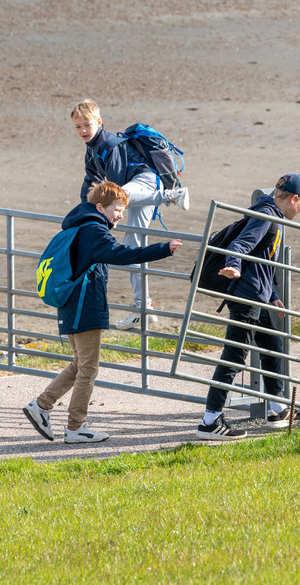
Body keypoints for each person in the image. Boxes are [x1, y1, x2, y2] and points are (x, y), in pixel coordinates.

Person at [24, 180, 182, 443]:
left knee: (80, 364)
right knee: (89, 368)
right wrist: (162, 249)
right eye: (117, 209)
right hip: (84, 307)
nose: (120, 215)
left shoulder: (80, 226)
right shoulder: (94, 231)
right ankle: (75, 427)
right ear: (100, 207)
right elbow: (121, 254)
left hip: (72, 304)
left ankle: (41, 406)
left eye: (122, 210)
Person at [196, 174, 300, 441]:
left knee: (272, 346)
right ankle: (210, 420)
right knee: (234, 356)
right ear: (294, 199)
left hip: (259, 296)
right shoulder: (266, 215)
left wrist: (272, 294)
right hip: (246, 296)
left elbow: (261, 261)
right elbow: (242, 245)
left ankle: (278, 409)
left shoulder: (272, 215)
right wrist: (234, 266)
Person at [71, 99, 190, 330]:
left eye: (87, 125)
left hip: (145, 183)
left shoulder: (109, 144)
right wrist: (84, 211)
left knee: (117, 197)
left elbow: (114, 191)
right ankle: (143, 308)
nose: (83, 131)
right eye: (78, 127)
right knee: (132, 249)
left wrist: (106, 218)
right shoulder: (91, 153)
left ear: (99, 122)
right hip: (134, 194)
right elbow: (90, 184)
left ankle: (170, 196)